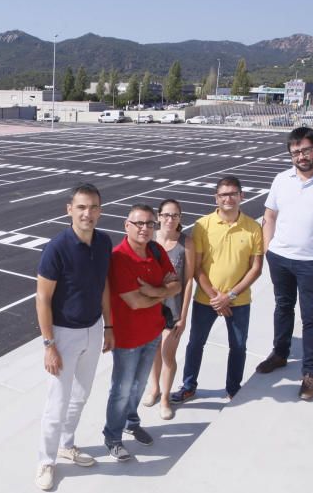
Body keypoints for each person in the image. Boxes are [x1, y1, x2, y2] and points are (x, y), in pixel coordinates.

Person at [256, 127, 313, 401]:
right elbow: (269, 215)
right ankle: (280, 353)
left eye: (306, 150)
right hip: (280, 258)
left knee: (311, 317)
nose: (301, 156)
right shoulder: (281, 179)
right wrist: (268, 250)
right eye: (296, 152)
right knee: (282, 307)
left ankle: (310, 372)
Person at [35, 183, 114, 491]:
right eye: (81, 207)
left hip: (93, 330)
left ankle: (67, 444)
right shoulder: (57, 247)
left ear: (100, 211)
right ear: (69, 209)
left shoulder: (104, 243)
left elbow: (104, 285)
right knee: (57, 402)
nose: (87, 213)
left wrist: (107, 327)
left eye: (93, 207)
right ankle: (46, 460)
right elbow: (42, 298)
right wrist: (49, 344)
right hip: (63, 335)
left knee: (80, 395)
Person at [170, 177, 263, 403]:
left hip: (238, 301)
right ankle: (189, 386)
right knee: (195, 343)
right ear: (216, 198)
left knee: (238, 346)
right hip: (206, 299)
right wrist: (215, 297)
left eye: (232, 194)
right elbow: (197, 266)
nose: (228, 198)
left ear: (242, 196)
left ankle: (233, 388)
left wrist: (229, 296)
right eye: (223, 195)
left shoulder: (253, 227)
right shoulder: (203, 225)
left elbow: (256, 268)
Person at [103, 204, 180, 461]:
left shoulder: (156, 250)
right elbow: (134, 302)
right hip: (127, 338)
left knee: (138, 387)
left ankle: (131, 422)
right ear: (127, 225)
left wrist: (155, 292)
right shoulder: (119, 258)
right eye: (139, 223)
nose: (145, 228)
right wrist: (161, 293)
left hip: (153, 332)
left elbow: (176, 284)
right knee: (122, 389)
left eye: (149, 224)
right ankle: (112, 436)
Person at [142, 199, 194, 420]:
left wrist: (183, 316)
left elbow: (189, 280)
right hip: (150, 308)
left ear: (180, 218)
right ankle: (154, 388)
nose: (170, 220)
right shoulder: (149, 240)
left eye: (174, 216)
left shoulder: (186, 243)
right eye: (166, 215)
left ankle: (165, 397)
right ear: (158, 216)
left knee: (167, 355)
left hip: (173, 310)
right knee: (153, 352)